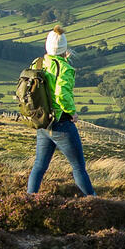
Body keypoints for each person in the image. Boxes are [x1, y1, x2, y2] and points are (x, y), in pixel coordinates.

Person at [27, 26, 96, 196]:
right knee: (78, 167)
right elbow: (61, 94)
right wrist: (72, 112)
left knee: (39, 166)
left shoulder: (38, 63)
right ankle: (93, 202)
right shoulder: (64, 68)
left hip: (43, 122)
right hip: (61, 123)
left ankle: (28, 200)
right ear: (64, 48)